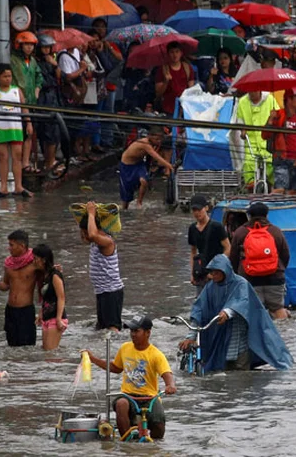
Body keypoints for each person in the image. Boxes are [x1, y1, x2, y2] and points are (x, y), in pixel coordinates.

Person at [178, 255, 294, 372]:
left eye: (217, 273)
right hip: (221, 339)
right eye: (212, 273)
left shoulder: (240, 284)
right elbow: (199, 310)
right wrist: (191, 336)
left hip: (239, 336)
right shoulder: (210, 287)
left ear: (225, 271)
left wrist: (227, 312)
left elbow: (241, 301)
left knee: (240, 372)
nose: (214, 276)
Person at [85, 315, 176, 440]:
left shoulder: (156, 354)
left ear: (148, 333)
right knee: (121, 404)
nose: (133, 334)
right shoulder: (125, 348)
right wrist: (93, 359)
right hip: (128, 396)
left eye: (136, 331)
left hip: (150, 398)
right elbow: (115, 368)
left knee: (159, 423)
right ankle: (127, 443)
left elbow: (167, 374)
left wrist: (170, 385)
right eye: (131, 331)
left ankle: (154, 448)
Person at [229, 202, 291, 320]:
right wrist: (279, 269)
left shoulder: (240, 232)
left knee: (254, 312)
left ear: (249, 216)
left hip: (249, 280)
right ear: (267, 215)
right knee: (278, 309)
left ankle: (257, 337)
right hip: (275, 279)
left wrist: (238, 277)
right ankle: (282, 335)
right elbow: (285, 255)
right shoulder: (275, 232)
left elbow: (233, 259)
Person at [0, 63, 34, 198]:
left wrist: (28, 123)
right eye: (5, 76)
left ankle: (18, 186)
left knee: (17, 156)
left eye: (10, 76)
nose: (8, 79)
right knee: (3, 157)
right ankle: (3, 187)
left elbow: (24, 108)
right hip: (0, 128)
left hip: (15, 127)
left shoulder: (16, 91)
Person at [80, 201, 125, 331]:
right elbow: (89, 235)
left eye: (84, 233)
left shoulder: (107, 241)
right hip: (101, 291)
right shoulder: (95, 242)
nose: (83, 236)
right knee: (101, 328)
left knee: (112, 328)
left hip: (111, 291)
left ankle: (112, 350)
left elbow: (93, 234)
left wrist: (91, 213)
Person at [0, 230, 37, 347]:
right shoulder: (8, 264)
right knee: (11, 345)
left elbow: (46, 280)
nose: (9, 248)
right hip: (10, 310)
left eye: (11, 245)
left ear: (22, 246)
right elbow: (6, 286)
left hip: (26, 311)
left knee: (27, 346)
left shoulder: (35, 262)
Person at [263, 88, 296, 195]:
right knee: (280, 189)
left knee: (294, 191)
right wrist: (270, 120)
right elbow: (265, 135)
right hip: (281, 159)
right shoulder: (278, 115)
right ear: (289, 100)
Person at [118, 126, 174, 210]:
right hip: (127, 166)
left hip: (139, 164)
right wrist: (168, 165)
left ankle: (139, 202)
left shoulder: (153, 144)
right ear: (150, 136)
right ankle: (125, 207)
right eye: (157, 139)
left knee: (144, 181)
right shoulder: (145, 143)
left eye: (160, 139)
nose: (159, 141)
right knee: (126, 194)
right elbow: (155, 156)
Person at [10, 32, 43, 173]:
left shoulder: (33, 61)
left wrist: (37, 89)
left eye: (31, 45)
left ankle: (25, 163)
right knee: (20, 133)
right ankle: (18, 163)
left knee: (30, 133)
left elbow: (39, 76)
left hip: (31, 101)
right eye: (26, 45)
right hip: (17, 102)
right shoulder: (13, 60)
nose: (29, 48)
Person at [188, 195, 230, 295]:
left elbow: (228, 248)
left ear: (206, 208)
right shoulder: (192, 228)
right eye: (194, 210)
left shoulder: (217, 226)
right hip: (201, 272)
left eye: (199, 209)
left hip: (218, 272)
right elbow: (193, 251)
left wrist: (219, 267)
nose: (197, 213)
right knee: (201, 304)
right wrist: (193, 273)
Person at [236, 89, 278, 187]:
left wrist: (273, 118)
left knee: (272, 166)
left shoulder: (270, 99)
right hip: (251, 143)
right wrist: (243, 130)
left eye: (254, 90)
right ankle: (251, 192)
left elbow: (278, 117)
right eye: (250, 90)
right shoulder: (242, 101)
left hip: (268, 142)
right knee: (248, 165)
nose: (252, 93)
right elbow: (240, 120)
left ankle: (272, 190)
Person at [35, 34, 63, 172]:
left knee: (54, 131)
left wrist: (55, 64)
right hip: (43, 97)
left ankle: (51, 160)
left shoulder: (51, 61)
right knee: (45, 130)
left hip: (53, 97)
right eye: (44, 47)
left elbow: (58, 77)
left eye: (48, 47)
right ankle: (48, 161)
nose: (46, 50)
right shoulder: (36, 62)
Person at [33, 244, 67, 350]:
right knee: (46, 351)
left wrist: (58, 319)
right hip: (47, 317)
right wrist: (40, 314)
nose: (33, 261)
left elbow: (61, 298)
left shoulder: (55, 275)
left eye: (35, 258)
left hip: (55, 318)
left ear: (43, 260)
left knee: (50, 353)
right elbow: (46, 298)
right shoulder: (45, 276)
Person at [155, 41, 195, 116]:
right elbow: (158, 93)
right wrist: (166, 81)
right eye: (172, 52)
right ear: (168, 54)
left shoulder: (187, 68)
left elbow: (191, 90)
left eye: (177, 52)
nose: (175, 55)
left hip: (184, 108)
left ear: (181, 53)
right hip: (167, 110)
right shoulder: (162, 69)